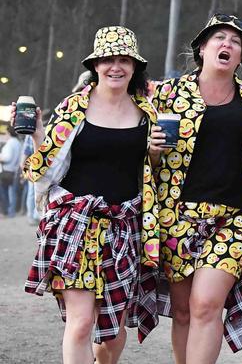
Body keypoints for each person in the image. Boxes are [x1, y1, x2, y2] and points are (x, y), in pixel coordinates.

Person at [19, 26, 160, 364]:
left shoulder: (149, 114)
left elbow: (157, 174)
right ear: (95, 65)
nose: (116, 67)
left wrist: (155, 154)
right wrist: (39, 134)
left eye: (124, 60)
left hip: (125, 228)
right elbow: (48, 168)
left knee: (113, 331)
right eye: (108, 59)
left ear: (134, 67)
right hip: (76, 225)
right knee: (81, 325)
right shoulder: (73, 107)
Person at [149, 13, 242, 364]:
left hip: (234, 218)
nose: (226, 44)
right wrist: (151, 150)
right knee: (184, 311)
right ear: (202, 47)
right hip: (177, 215)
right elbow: (137, 151)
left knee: (206, 306)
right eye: (219, 38)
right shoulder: (167, 94)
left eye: (235, 41)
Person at [0, 126, 21, 218]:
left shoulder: (10, 143)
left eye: (5, 133)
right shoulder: (18, 143)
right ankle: (11, 211)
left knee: (4, 192)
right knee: (12, 192)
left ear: (9, 133)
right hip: (15, 170)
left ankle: (6, 211)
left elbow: (7, 158)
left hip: (6, 171)